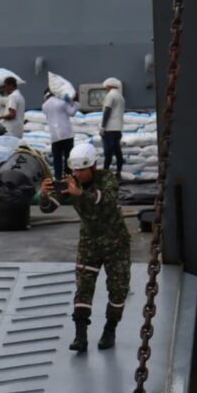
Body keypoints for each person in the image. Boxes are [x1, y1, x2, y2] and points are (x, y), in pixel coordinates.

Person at [39, 142, 130, 352]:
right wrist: (44, 196)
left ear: (93, 167)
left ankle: (110, 329)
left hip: (116, 243)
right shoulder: (71, 183)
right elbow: (49, 208)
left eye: (82, 170)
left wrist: (80, 194)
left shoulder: (106, 179)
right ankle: (80, 336)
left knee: (118, 290)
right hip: (90, 243)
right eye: (75, 170)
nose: (78, 174)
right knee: (83, 289)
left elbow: (106, 200)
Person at [42, 89, 79, 180]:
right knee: (68, 157)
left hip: (55, 135)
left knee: (57, 158)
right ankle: (68, 177)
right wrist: (76, 103)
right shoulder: (62, 102)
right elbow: (72, 113)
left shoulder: (44, 105)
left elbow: (48, 118)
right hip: (67, 134)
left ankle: (58, 178)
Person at [101, 77, 125, 178]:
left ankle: (105, 172)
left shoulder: (110, 95)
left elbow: (107, 111)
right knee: (117, 151)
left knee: (108, 151)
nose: (105, 88)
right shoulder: (120, 96)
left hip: (109, 128)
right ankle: (119, 172)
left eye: (106, 87)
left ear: (109, 86)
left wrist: (103, 126)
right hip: (118, 128)